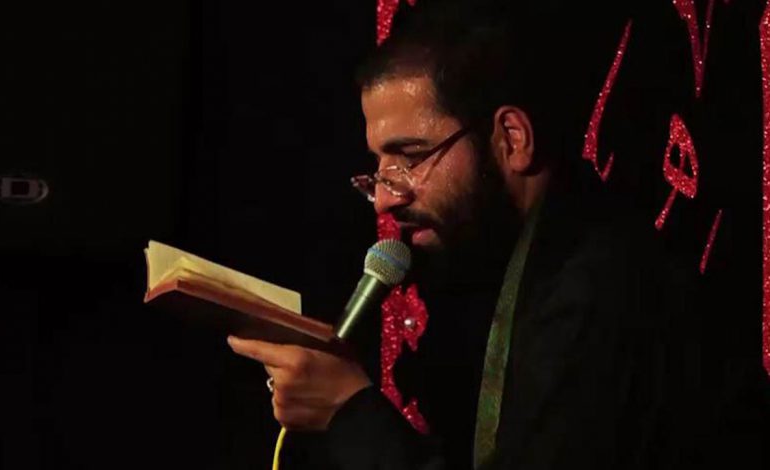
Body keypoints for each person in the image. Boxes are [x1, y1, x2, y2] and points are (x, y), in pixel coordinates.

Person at [227, 2, 754, 469]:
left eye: (411, 157)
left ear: (512, 139)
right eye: (379, 167)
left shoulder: (599, 288)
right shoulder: (510, 259)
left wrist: (351, 414)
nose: (386, 199)